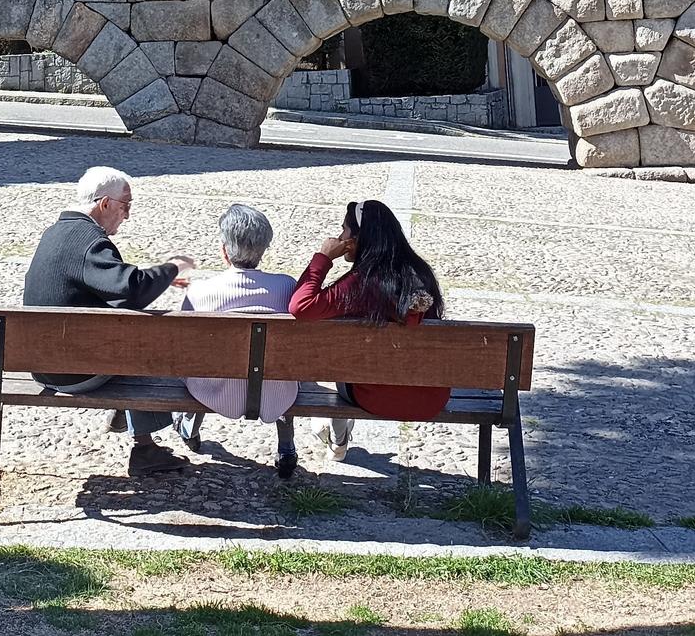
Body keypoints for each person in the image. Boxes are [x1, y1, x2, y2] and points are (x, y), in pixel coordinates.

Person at [22, 165, 196, 476]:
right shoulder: (90, 242)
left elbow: (108, 285)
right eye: (125, 206)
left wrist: (158, 280)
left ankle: (126, 416)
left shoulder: (58, 232)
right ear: (105, 204)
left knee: (125, 331)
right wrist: (173, 266)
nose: (127, 215)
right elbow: (132, 289)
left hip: (40, 361)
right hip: (70, 371)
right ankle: (145, 448)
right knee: (147, 340)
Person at [288, 198, 449, 458]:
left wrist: (323, 257)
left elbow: (301, 306)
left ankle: (333, 434)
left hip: (375, 396)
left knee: (328, 371)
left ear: (359, 237)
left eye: (344, 230)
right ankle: (335, 436)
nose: (340, 236)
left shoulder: (361, 283)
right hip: (431, 396)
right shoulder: (421, 273)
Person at [173, 203, 301, 478]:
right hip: (277, 395)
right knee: (282, 361)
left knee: (199, 360)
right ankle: (287, 446)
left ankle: (189, 429)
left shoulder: (201, 292)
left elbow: (184, 347)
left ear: (224, 250)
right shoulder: (287, 287)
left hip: (215, 392)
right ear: (264, 249)